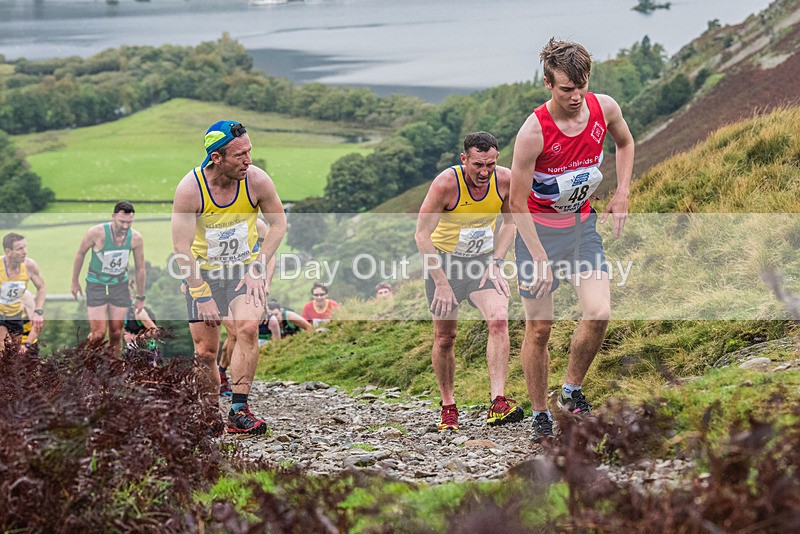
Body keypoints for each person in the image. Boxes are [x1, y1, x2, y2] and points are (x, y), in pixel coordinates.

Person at [509, 38, 634, 442]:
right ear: (548, 83)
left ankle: (571, 391)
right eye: (566, 89)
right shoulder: (532, 133)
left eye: (582, 86)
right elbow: (515, 203)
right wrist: (541, 257)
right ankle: (540, 413)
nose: (576, 96)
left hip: (581, 230)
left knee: (598, 312)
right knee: (540, 329)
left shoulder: (604, 107)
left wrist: (622, 194)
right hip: (537, 236)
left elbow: (625, 143)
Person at [172, 120, 286, 436]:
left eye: (249, 151)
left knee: (248, 329)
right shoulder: (190, 189)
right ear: (217, 158)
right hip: (203, 274)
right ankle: (209, 414)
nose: (248, 160)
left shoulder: (257, 180)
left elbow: (278, 224)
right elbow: (181, 248)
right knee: (205, 352)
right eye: (240, 155)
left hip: (242, 271)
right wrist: (201, 293)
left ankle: (238, 410)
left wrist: (259, 268)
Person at [414, 131, 523, 432]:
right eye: (478, 165)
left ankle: (498, 401)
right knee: (445, 338)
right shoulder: (446, 184)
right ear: (464, 159)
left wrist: (497, 263)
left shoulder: (504, 180)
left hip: (482, 264)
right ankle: (448, 407)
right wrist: (442, 283)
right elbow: (422, 235)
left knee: (499, 320)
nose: (485, 172)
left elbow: (510, 223)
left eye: (490, 164)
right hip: (443, 265)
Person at [71, 201, 146, 357]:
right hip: (96, 283)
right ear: (113, 217)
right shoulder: (96, 233)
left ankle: (114, 370)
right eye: (122, 222)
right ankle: (86, 363)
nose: (126, 226)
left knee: (117, 332)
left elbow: (140, 268)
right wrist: (74, 281)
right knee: (98, 334)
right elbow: (80, 254)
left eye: (129, 222)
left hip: (119, 284)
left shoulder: (136, 238)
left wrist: (140, 297)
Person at [218, 217, 275, 397]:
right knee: (234, 332)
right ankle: (221, 374)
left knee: (239, 332)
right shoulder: (216, 220)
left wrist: (266, 283)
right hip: (216, 284)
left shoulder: (259, 226)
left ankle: (226, 375)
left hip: (244, 283)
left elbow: (270, 257)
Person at [0, 233, 46, 354]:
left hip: (15, 315)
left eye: (25, 247)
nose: (24, 252)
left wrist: (38, 311)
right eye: (20, 249)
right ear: (8, 251)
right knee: (5, 347)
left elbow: (41, 287)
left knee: (14, 355)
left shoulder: (29, 266)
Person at [123, 279, 159, 364]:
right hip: (131, 351)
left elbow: (155, 332)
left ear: (131, 294)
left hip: (147, 351)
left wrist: (139, 337)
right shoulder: (121, 312)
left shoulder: (139, 312)